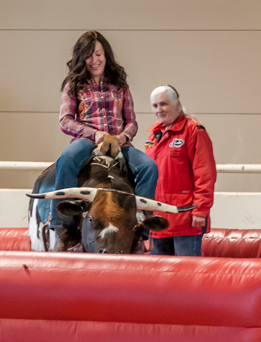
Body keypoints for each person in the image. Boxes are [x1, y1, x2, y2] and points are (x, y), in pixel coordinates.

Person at [52, 30, 158, 229]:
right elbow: (65, 120)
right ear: (80, 58)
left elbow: (131, 121)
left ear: (106, 55)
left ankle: (142, 223)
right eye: (88, 55)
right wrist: (94, 134)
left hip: (119, 143)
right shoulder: (73, 85)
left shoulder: (120, 84)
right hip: (87, 142)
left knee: (149, 167)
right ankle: (61, 225)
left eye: (98, 54)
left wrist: (124, 136)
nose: (94, 60)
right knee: (66, 160)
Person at [145, 85, 216, 256]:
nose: (159, 110)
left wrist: (200, 210)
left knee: (187, 276)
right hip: (158, 218)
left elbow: (205, 174)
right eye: (155, 106)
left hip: (186, 220)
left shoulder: (194, 131)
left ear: (177, 104)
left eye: (164, 104)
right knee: (158, 276)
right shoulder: (154, 134)